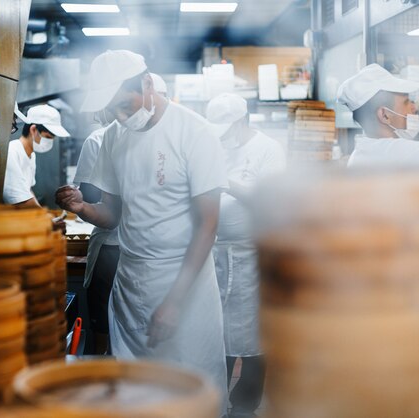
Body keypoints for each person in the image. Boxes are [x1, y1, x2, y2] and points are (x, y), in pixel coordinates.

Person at [55, 50, 229, 415]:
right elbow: (114, 216)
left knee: (190, 394)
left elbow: (207, 226)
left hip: (186, 286)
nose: (121, 116)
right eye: (113, 109)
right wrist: (82, 208)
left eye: (125, 104)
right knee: (135, 394)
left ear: (148, 83)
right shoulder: (115, 137)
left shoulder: (194, 132)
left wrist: (174, 302)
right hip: (133, 282)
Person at [73, 75, 170, 355]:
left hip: (136, 252)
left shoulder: (177, 137)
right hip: (119, 249)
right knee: (116, 327)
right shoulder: (107, 137)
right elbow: (98, 203)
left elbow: (91, 196)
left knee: (132, 328)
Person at [207, 93, 286, 418]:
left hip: (252, 256)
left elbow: (273, 205)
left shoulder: (268, 150)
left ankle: (244, 405)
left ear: (242, 121)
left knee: (253, 336)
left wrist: (231, 186)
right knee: (215, 333)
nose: (223, 137)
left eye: (227, 129)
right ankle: (214, 400)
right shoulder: (215, 146)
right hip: (215, 254)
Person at [3, 104, 69, 207]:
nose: (50, 142)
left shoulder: (31, 155)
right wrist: (46, 218)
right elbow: (21, 200)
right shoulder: (12, 151)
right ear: (33, 130)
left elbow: (27, 192)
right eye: (48, 137)